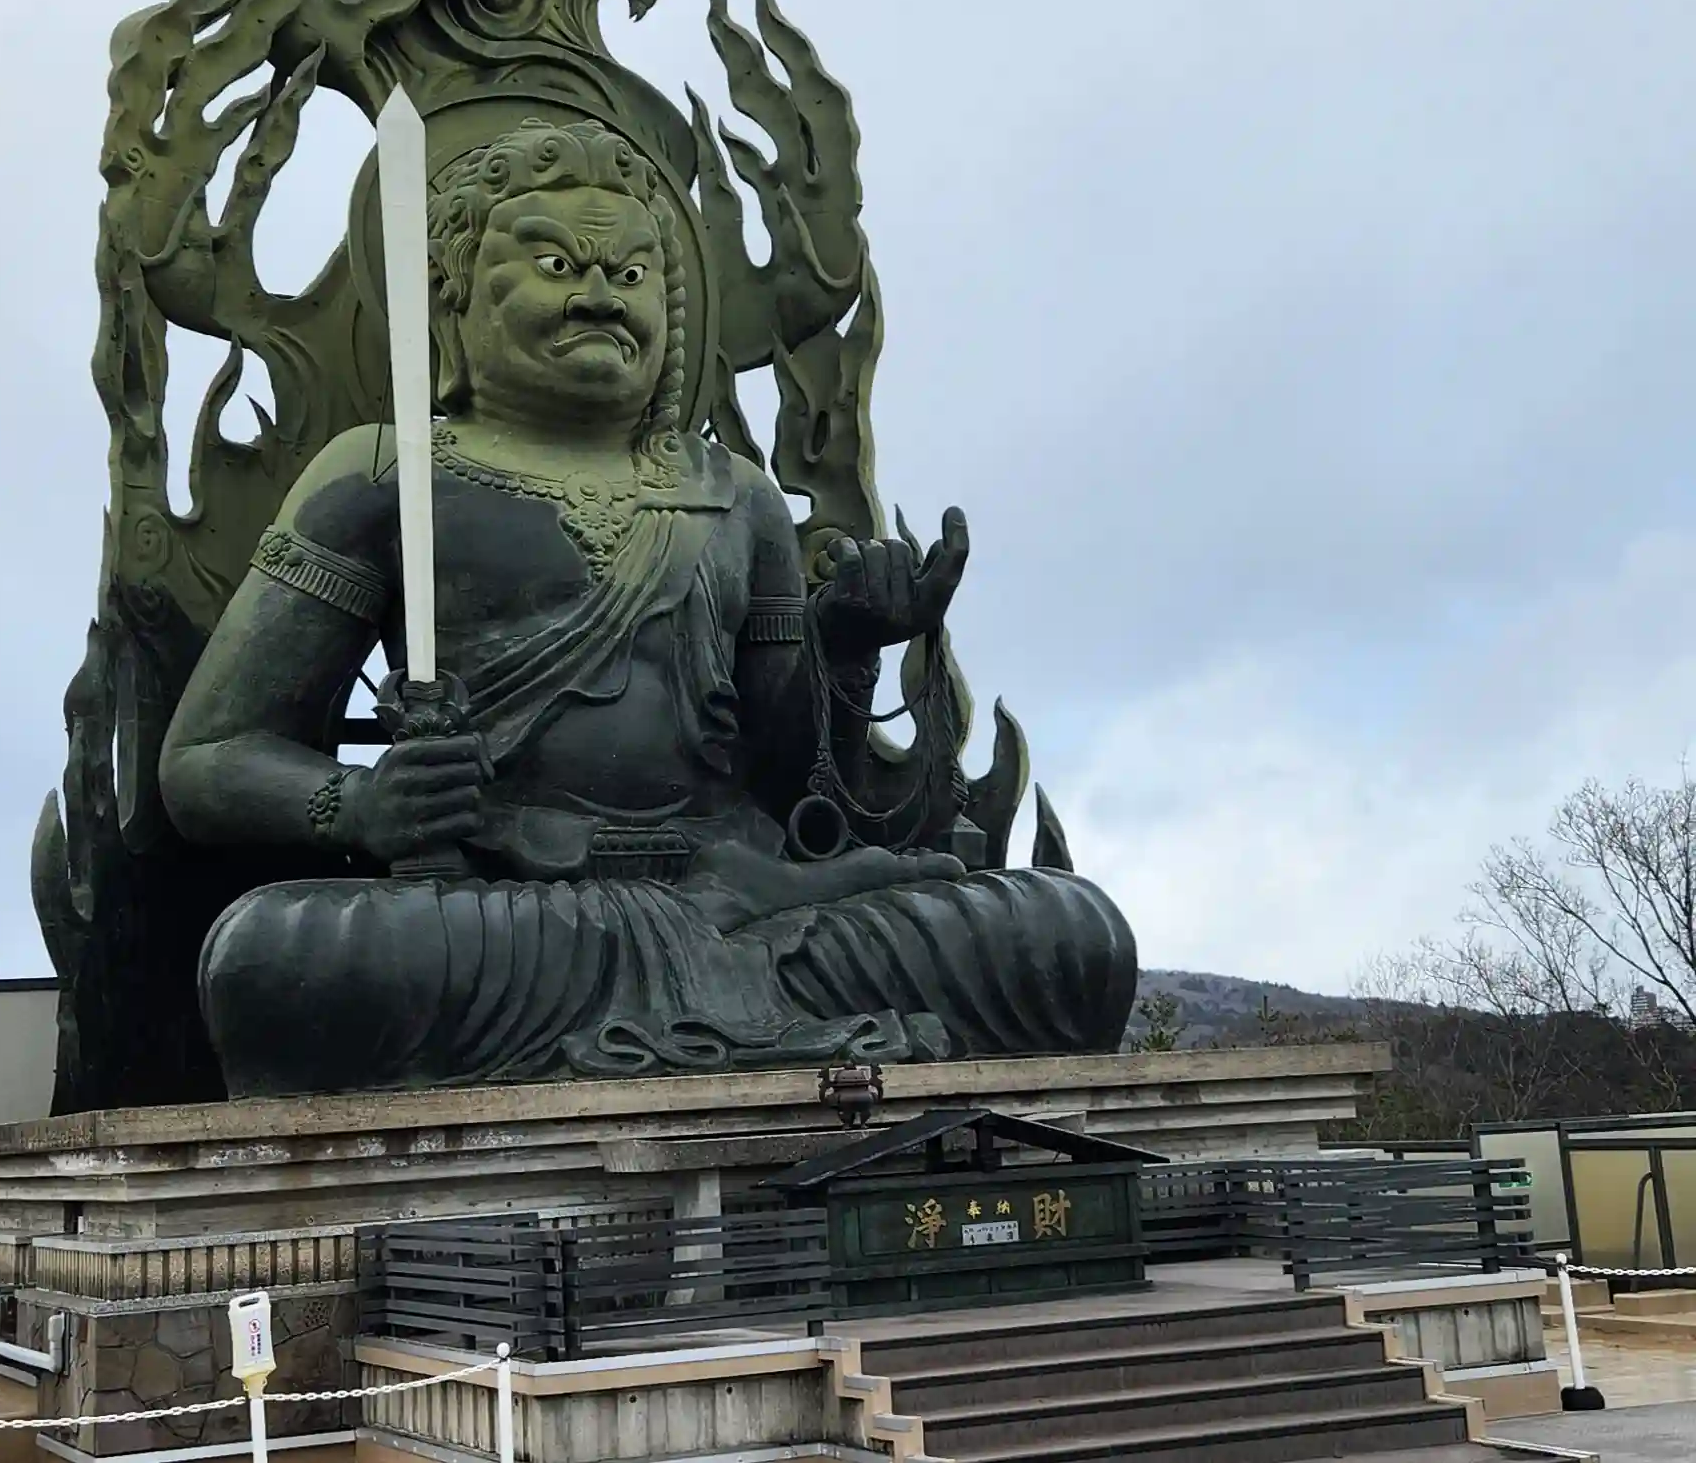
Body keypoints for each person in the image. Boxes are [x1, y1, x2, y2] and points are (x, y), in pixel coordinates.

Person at [160, 119, 1133, 1095]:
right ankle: (732, 1014)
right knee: (276, 958)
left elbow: (787, 780)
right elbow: (206, 758)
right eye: (553, 264)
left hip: (748, 892)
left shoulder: (736, 497)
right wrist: (360, 804)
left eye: (629, 274)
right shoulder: (387, 474)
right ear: (452, 294)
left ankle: (694, 1006)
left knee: (1062, 931)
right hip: (511, 909)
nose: (597, 296)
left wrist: (842, 649)